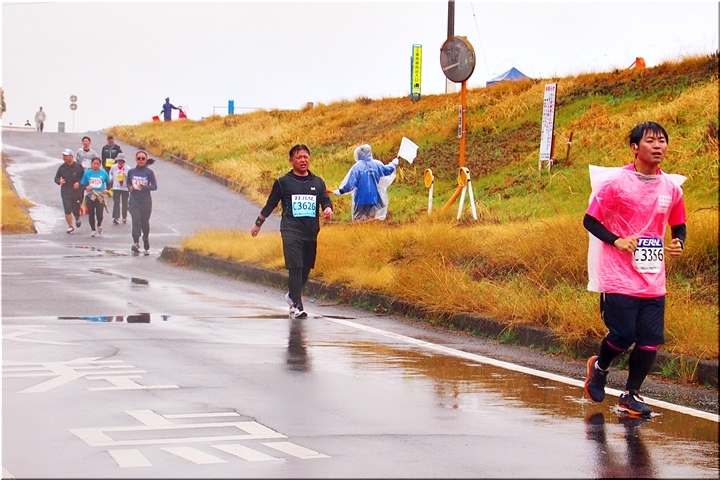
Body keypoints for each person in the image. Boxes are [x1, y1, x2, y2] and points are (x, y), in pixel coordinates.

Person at [583, 121, 687, 417]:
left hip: (653, 277)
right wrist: (617, 240)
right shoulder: (616, 183)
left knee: (650, 340)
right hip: (618, 275)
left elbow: (679, 224)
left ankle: (631, 394)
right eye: (651, 141)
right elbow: (590, 220)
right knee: (623, 334)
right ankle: (599, 368)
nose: (658, 146)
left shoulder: (671, 188)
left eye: (662, 141)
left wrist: (678, 241)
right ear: (635, 148)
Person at [251, 144, 333, 319]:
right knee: (295, 267)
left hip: (310, 232)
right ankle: (297, 306)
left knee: (305, 269)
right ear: (291, 161)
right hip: (290, 230)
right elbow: (270, 204)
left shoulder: (317, 182)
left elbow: (325, 200)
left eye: (305, 157)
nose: (303, 160)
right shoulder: (283, 182)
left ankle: (292, 295)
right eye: (299, 157)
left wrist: (328, 209)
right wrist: (258, 224)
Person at [333, 144, 398, 221]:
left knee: (358, 220)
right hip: (373, 199)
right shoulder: (377, 164)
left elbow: (350, 184)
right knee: (370, 220)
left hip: (360, 199)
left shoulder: (357, 167)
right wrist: (393, 164)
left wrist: (341, 191)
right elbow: (387, 170)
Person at [127, 150, 158, 253]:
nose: (141, 160)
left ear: (145, 160)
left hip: (145, 201)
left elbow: (154, 186)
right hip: (134, 201)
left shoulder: (149, 172)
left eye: (143, 158)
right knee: (136, 221)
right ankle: (136, 242)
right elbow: (128, 183)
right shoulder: (131, 172)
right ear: (136, 160)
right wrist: (130, 187)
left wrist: (144, 187)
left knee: (144, 222)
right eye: (139, 158)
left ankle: (145, 237)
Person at [53, 148, 85, 233]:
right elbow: (56, 178)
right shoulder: (62, 168)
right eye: (63, 156)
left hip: (76, 192)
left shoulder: (78, 167)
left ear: (71, 156)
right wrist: (59, 181)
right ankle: (70, 226)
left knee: (75, 209)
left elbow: (83, 177)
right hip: (66, 191)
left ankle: (77, 217)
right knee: (67, 209)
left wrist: (78, 183)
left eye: (66, 156)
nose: (64, 157)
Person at [80, 157, 111, 237]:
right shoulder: (87, 173)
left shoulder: (103, 173)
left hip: (100, 196)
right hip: (91, 196)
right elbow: (82, 184)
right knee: (91, 214)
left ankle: (99, 224)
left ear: (100, 165)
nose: (96, 165)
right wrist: (86, 187)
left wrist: (107, 190)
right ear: (91, 164)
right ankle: (93, 229)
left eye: (97, 164)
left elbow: (109, 183)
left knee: (99, 213)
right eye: (94, 163)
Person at [108, 153, 130, 224]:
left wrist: (126, 175)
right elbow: (110, 173)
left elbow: (130, 177)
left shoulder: (127, 168)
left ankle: (124, 217)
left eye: (122, 161)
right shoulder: (113, 167)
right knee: (116, 202)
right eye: (119, 160)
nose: (120, 162)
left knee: (125, 202)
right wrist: (111, 178)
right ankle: (116, 217)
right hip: (116, 186)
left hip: (125, 187)